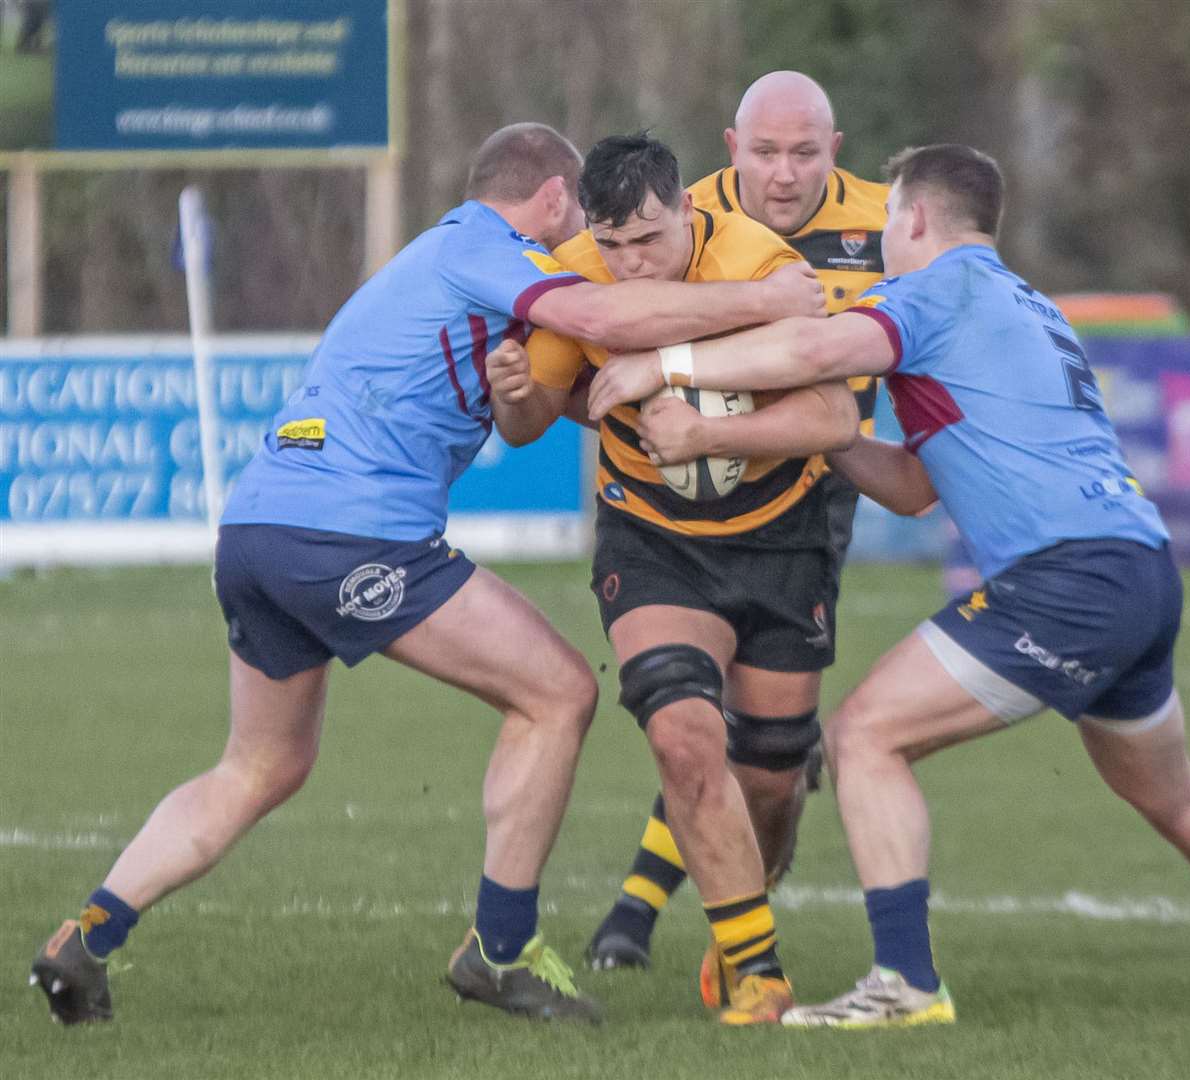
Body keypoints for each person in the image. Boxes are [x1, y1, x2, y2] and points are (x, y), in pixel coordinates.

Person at [27, 122, 824, 1028]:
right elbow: (603, 317)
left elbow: (533, 400)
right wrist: (767, 300)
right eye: (585, 235)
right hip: (349, 533)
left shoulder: (431, 256)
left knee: (261, 764)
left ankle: (84, 939)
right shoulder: (487, 247)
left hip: (257, 527)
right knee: (558, 692)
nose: (591, 255)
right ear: (557, 202)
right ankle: (500, 953)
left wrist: (529, 391)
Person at [587, 143, 1190, 1026]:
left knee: (866, 736)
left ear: (914, 219)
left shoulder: (934, 290)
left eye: (887, 224)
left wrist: (663, 368)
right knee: (1169, 793)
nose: (879, 240)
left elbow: (810, 343)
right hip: (1139, 568)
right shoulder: (1030, 304)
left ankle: (904, 985)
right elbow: (915, 487)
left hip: (1063, 578)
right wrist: (815, 435)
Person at [488, 132, 857, 1024]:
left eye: (648, 239)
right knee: (686, 736)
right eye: (611, 246)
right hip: (653, 541)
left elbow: (836, 412)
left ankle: (740, 907)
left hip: (781, 537)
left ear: (689, 211)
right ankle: (756, 969)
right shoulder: (571, 275)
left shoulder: (757, 259)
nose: (629, 265)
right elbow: (530, 422)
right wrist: (514, 391)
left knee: (769, 779)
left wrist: (709, 432)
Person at [583, 70, 891, 976]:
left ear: (834, 152)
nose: (784, 173)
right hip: (674, 500)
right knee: (688, 712)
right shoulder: (675, 217)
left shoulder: (892, 226)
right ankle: (648, 914)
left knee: (764, 753)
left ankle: (668, 902)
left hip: (816, 485)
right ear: (729, 151)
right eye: (764, 153)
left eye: (804, 153)